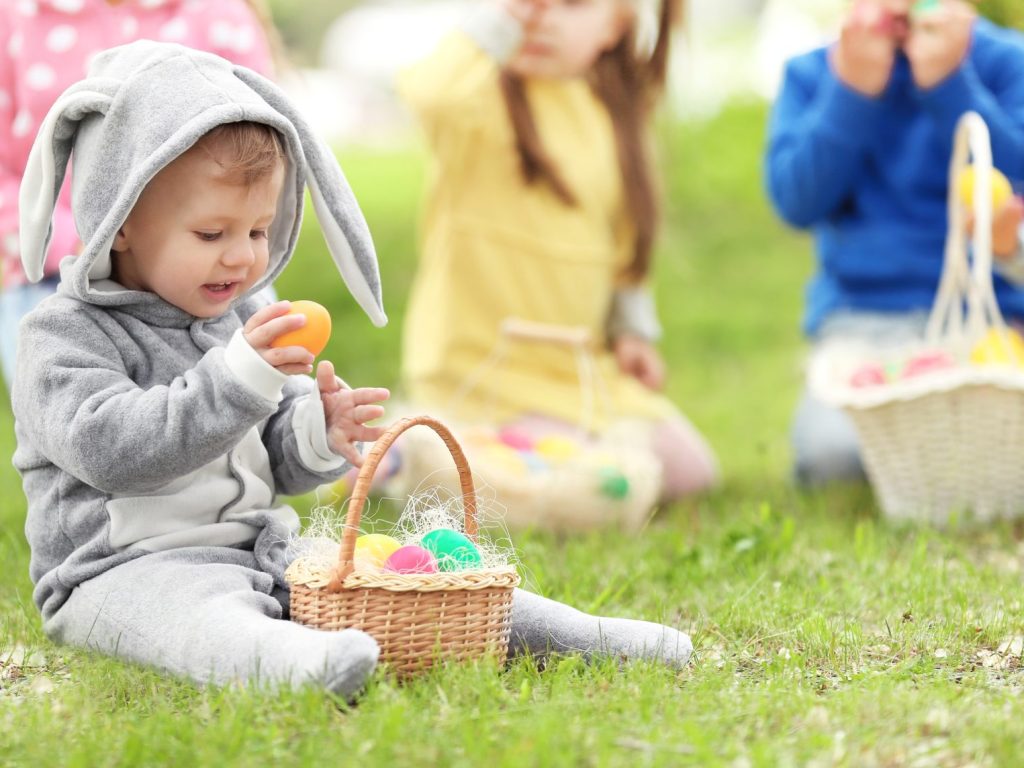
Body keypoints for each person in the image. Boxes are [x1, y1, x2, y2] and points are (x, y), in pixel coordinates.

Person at [12, 41, 693, 698]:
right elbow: (114, 453)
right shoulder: (61, 335)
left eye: (258, 231)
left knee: (398, 581)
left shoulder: (237, 313)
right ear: (118, 220)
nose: (241, 259)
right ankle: (291, 664)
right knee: (201, 621)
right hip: (122, 571)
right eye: (211, 234)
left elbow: (269, 456)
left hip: (259, 550)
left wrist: (315, 431)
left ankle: (578, 635)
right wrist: (237, 382)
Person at [395, 0, 718, 504]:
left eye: (569, 4)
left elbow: (623, 241)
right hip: (484, 374)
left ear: (617, 24)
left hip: (572, 373)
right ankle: (415, 451)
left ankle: (435, 448)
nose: (540, 16)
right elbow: (430, 94)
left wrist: (630, 329)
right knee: (578, 483)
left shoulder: (610, 112)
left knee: (688, 470)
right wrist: (503, 21)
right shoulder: (479, 100)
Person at [765, 0, 1024, 486]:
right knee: (832, 457)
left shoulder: (1005, 61)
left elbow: (1015, 181)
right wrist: (851, 92)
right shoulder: (813, 74)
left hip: (995, 320)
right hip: (866, 326)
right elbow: (796, 201)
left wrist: (951, 86)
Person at [0, 0, 282, 388]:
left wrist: (312, 428)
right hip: (52, 277)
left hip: (219, 276)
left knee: (261, 406)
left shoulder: (216, 14)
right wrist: (80, 239)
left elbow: (265, 149)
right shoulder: (14, 17)